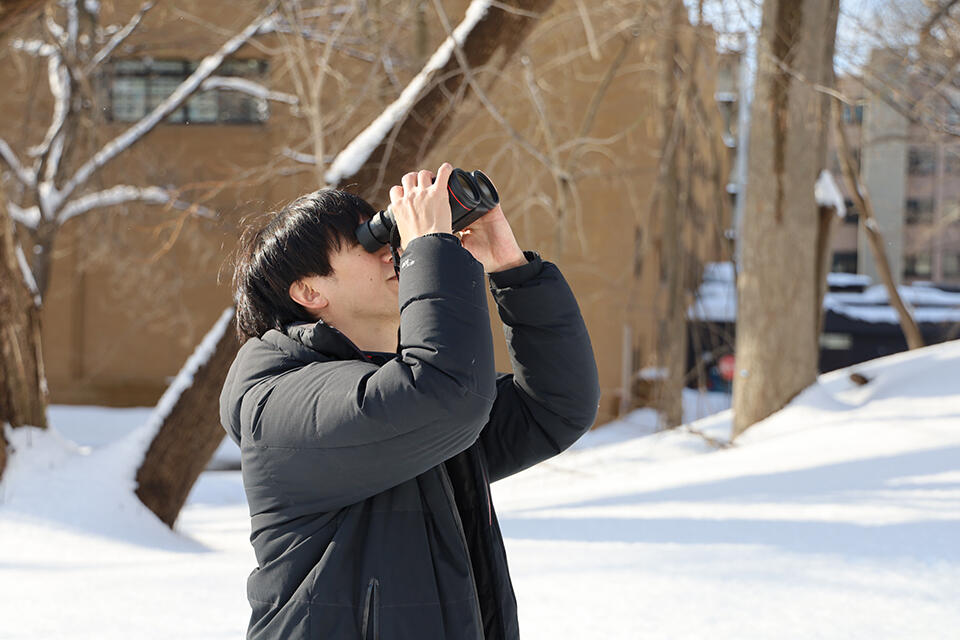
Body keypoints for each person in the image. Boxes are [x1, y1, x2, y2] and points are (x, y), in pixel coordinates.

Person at [220, 162, 600, 639]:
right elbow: (443, 395)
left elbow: (553, 408)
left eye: (391, 242)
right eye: (367, 247)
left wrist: (510, 269)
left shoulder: (404, 397)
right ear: (309, 291)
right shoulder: (277, 403)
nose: (391, 255)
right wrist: (431, 250)